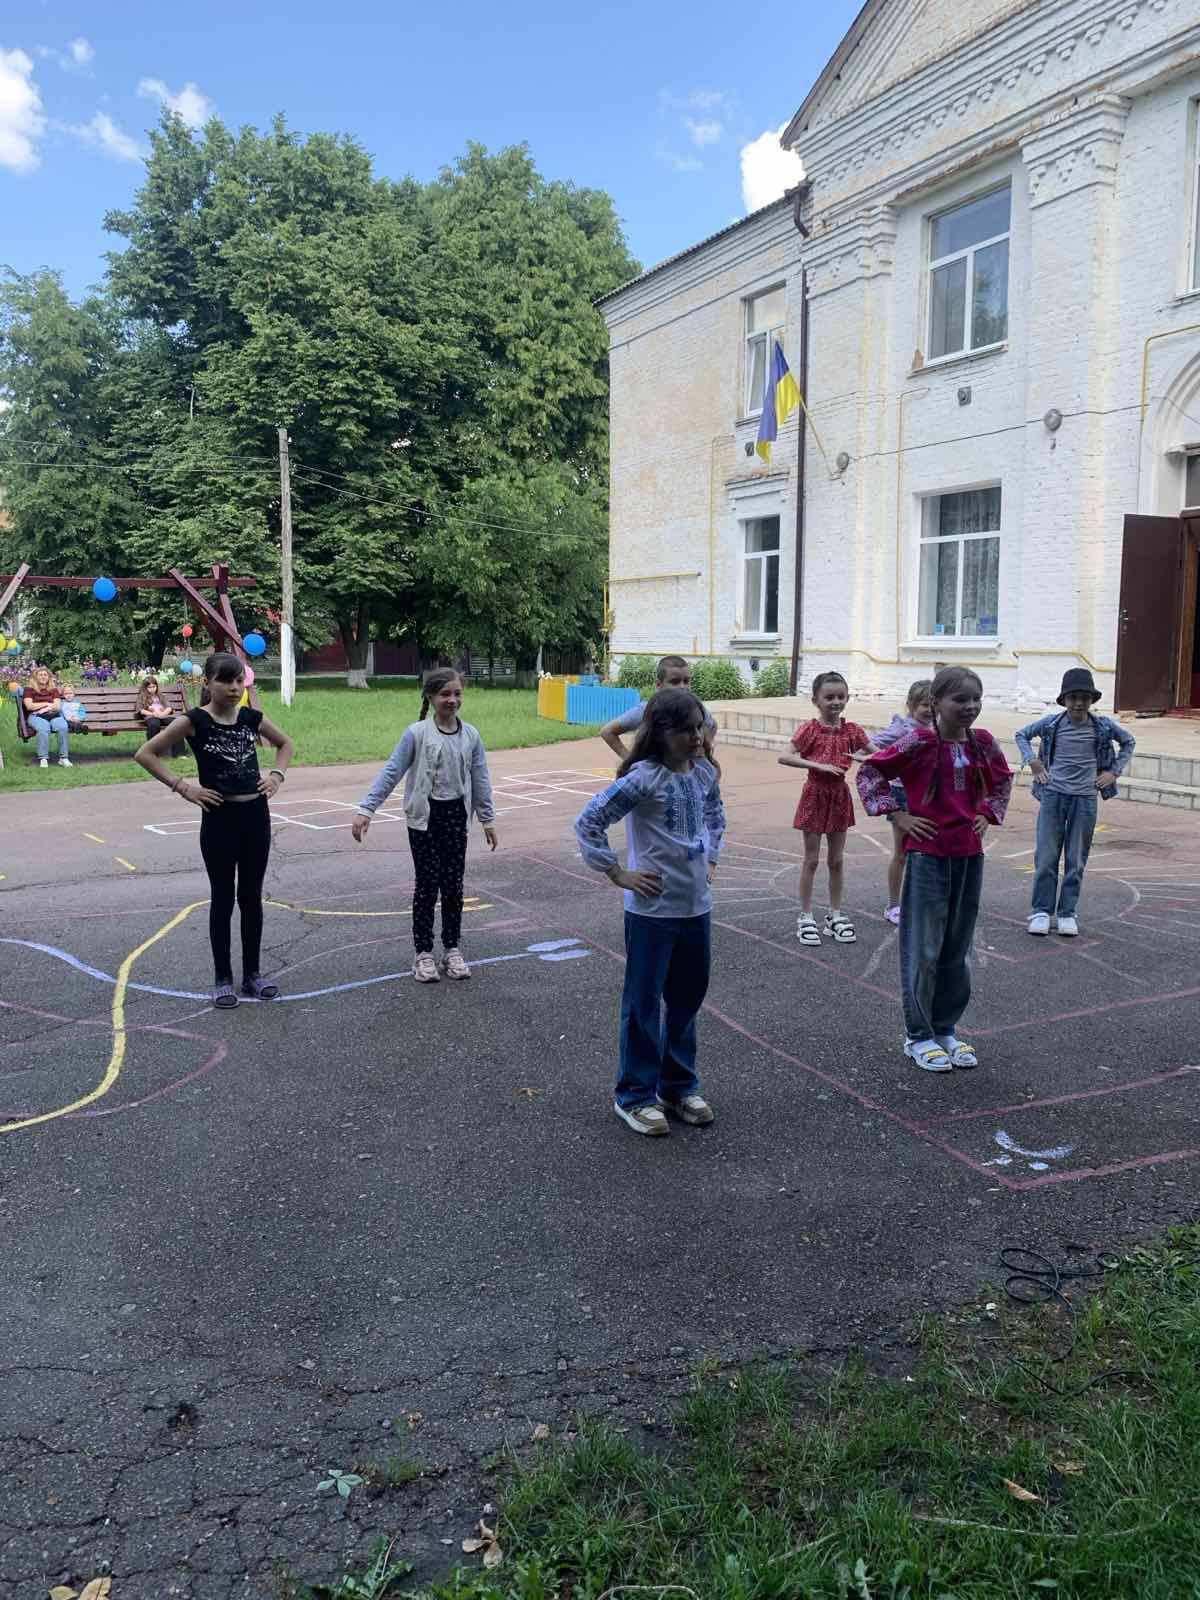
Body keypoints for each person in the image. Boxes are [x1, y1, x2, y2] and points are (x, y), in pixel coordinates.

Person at [575, 687, 725, 1137]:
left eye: (698, 728)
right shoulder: (644, 778)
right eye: (685, 730)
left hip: (695, 907)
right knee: (644, 1003)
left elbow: (715, 815)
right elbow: (589, 821)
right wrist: (617, 873)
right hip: (652, 912)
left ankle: (678, 1086)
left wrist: (711, 858)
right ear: (660, 732)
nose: (696, 737)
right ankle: (635, 1095)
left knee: (687, 998)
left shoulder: (703, 773)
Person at [857, 666, 1012, 1073]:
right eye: (960, 699)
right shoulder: (920, 741)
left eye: (976, 699)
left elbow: (1002, 781)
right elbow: (870, 771)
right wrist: (898, 815)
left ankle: (945, 1029)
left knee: (958, 948)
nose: (970, 706)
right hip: (928, 857)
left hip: (969, 856)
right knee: (923, 947)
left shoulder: (983, 742)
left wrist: (987, 813)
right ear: (936, 702)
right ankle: (918, 1035)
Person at [135, 652, 294, 1010]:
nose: (234, 688)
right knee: (223, 897)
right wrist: (184, 787)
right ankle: (223, 978)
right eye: (225, 680)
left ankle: (252, 974)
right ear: (207, 682)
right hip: (220, 818)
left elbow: (286, 744)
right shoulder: (195, 721)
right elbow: (146, 754)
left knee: (251, 897)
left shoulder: (251, 718)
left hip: (255, 816)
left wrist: (276, 775)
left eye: (239, 681)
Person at [351, 667, 498, 983]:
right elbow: (392, 771)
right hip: (425, 819)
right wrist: (367, 809)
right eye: (445, 694)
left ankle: (452, 949)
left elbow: (480, 778)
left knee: (453, 886)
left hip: (456, 816)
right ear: (430, 697)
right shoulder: (416, 733)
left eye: (457, 693)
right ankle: (423, 954)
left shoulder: (471, 735)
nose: (452, 700)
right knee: (428, 885)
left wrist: (487, 818)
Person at [1014, 668, 1135, 938]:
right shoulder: (1051, 724)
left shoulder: (1103, 726)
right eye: (1073, 697)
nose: (1079, 703)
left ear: (1092, 700)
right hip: (1053, 796)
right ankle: (1041, 911)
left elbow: (1129, 741)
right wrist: (1032, 762)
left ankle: (1067, 913)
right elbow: (1021, 734)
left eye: (1084, 698)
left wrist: (1113, 772)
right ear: (1064, 700)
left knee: (1076, 859)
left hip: (1085, 799)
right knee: (1046, 857)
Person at [778, 670, 870, 945]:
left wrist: (865, 758)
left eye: (841, 696)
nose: (836, 702)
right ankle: (806, 915)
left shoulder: (852, 730)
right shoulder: (810, 729)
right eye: (829, 697)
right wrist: (817, 765)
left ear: (848, 698)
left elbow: (878, 754)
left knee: (837, 860)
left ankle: (835, 914)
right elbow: (784, 756)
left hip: (839, 795)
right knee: (811, 860)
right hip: (814, 794)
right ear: (815, 701)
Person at [870, 679, 934, 926]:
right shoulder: (902, 729)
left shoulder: (938, 728)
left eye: (933, 705)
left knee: (926, 851)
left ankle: (919, 901)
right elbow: (872, 745)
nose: (929, 710)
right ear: (910, 704)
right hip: (903, 793)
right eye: (924, 705)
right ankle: (894, 905)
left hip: (928, 794)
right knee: (902, 852)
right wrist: (888, 762)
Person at [599, 655, 718, 767]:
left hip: (685, 776)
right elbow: (607, 731)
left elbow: (712, 725)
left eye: (686, 681)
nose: (682, 687)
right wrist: (630, 760)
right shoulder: (647, 710)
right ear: (659, 685)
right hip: (655, 777)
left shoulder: (696, 710)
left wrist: (701, 752)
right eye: (675, 682)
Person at [23, 665, 72, 769]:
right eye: (40, 675)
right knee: (44, 728)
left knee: (63, 726)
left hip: (53, 715)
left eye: (45, 675)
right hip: (36, 716)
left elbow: (57, 706)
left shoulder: (53, 690)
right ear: (36, 677)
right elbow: (29, 706)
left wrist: (42, 705)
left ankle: (63, 758)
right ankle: (43, 758)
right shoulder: (29, 690)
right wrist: (47, 704)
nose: (43, 676)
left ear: (49, 677)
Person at [135, 675, 186, 758]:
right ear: (145, 688)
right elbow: (141, 710)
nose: (152, 689)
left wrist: (163, 714)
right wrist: (152, 714)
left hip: (163, 716)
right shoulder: (142, 697)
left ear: (157, 686)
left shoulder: (161, 696)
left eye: (154, 687)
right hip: (151, 717)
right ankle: (153, 752)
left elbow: (169, 707)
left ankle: (179, 753)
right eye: (149, 687)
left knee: (176, 723)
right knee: (154, 725)